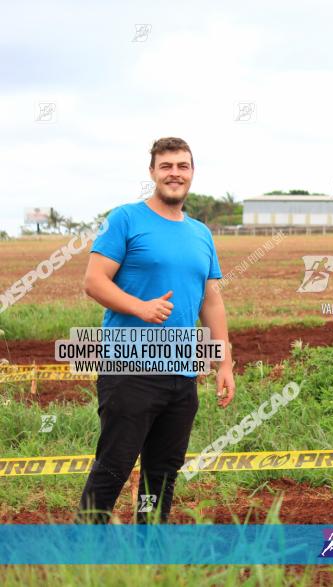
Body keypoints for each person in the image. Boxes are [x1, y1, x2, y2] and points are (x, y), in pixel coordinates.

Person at [77, 137, 235, 523]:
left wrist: (224, 362)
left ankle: (149, 549)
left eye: (182, 166)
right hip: (130, 367)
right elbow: (94, 281)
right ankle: (84, 546)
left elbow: (211, 301)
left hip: (182, 371)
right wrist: (140, 307)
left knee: (162, 473)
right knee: (114, 463)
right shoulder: (125, 219)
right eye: (166, 166)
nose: (174, 173)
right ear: (152, 172)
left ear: (192, 173)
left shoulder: (201, 233)